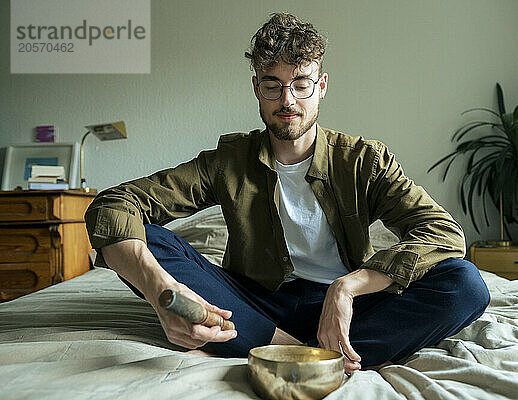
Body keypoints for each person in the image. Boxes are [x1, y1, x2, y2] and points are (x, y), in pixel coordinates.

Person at [84, 13, 490, 375]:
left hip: (351, 312)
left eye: (300, 84)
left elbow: (443, 232)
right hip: (256, 303)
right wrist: (161, 295)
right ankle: (302, 352)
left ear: (322, 85)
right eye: (273, 85)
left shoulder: (366, 161)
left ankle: (278, 347)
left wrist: (347, 288)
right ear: (256, 88)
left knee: (465, 284)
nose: (287, 100)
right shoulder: (228, 160)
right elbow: (113, 206)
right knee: (148, 241)